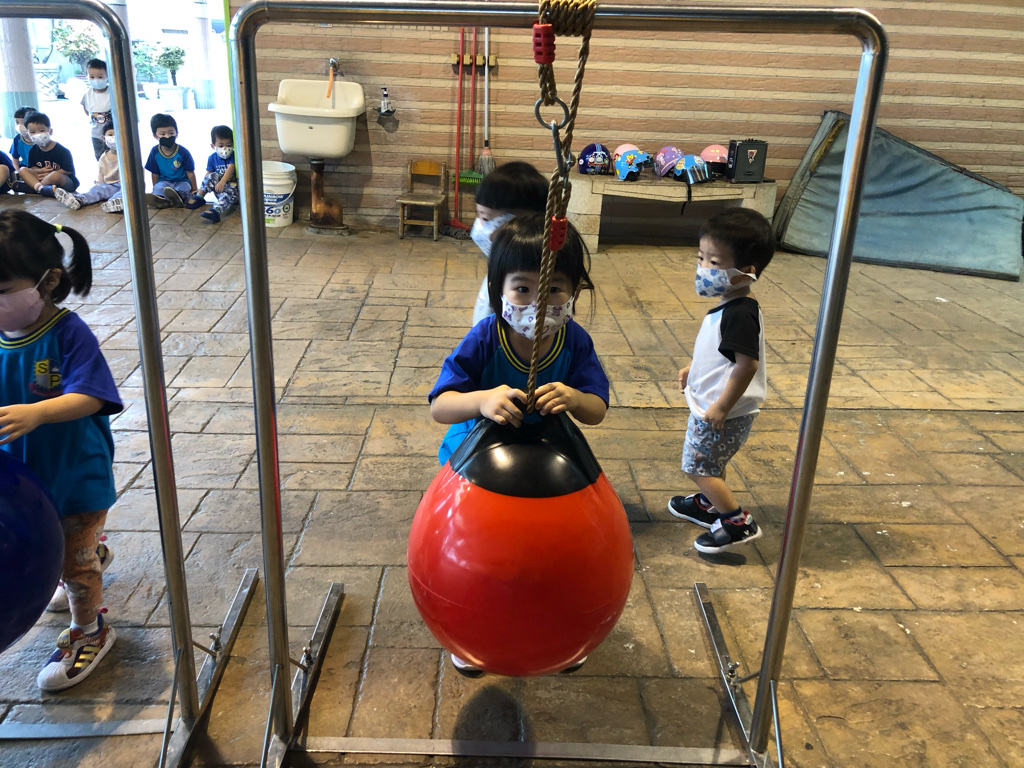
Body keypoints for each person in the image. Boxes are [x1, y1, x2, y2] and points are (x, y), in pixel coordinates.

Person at [428, 212, 609, 677]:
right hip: (475, 462)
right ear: (499, 290)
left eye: (554, 289)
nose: (538, 303)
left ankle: (567, 628)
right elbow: (440, 406)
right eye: (523, 288)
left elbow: (597, 410)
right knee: (477, 552)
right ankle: (467, 627)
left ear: (574, 290)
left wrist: (574, 398)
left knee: (555, 555)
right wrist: (481, 400)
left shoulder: (575, 341)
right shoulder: (485, 337)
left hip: (550, 463)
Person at [0, 210, 122, 691]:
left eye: (2, 290)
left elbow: (93, 395)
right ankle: (87, 552)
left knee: (75, 566)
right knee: (62, 545)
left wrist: (38, 413)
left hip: (75, 474)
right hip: (26, 479)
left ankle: (90, 630)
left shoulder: (68, 333)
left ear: (47, 281)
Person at [667, 208, 775, 554]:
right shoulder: (731, 304)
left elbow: (746, 365)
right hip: (718, 407)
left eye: (714, 262)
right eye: (701, 258)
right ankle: (709, 504)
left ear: (745, 272)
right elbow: (722, 352)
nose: (703, 268)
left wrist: (722, 406)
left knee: (698, 467)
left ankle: (736, 522)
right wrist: (693, 367)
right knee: (710, 463)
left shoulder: (740, 314)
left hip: (722, 412)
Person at [469, 161, 548, 326]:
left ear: (518, 226)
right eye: (479, 216)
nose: (479, 226)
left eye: (485, 218)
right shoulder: (503, 263)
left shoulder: (524, 281)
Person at [54, 121, 123, 213]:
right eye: (110, 135)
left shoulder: (126, 155)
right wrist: (99, 184)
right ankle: (78, 200)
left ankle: (114, 203)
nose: (113, 138)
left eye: (117, 135)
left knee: (124, 193)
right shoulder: (103, 157)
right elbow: (101, 173)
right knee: (95, 190)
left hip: (124, 186)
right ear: (103, 138)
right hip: (109, 186)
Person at [144, 113, 202, 209]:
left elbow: (190, 172)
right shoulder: (155, 152)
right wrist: (155, 186)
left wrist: (194, 189)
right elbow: (154, 172)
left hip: (182, 181)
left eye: (171, 133)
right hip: (164, 181)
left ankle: (178, 198)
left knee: (184, 188)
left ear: (177, 133)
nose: (167, 136)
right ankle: (161, 200)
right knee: (159, 188)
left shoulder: (183, 152)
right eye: (162, 134)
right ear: (155, 135)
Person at [15, 111, 78, 198]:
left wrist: (49, 174)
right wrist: (41, 171)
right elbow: (32, 167)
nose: (37, 135)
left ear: (50, 131)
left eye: (42, 131)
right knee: (22, 170)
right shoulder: (33, 150)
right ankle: (41, 188)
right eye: (33, 132)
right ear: (28, 134)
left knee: (54, 175)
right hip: (42, 177)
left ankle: (34, 188)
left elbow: (68, 170)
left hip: (63, 182)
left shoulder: (62, 151)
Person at [197, 125, 238, 223]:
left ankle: (216, 211)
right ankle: (199, 197)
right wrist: (201, 188)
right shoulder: (212, 158)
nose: (225, 148)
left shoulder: (234, 156)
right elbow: (208, 173)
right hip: (218, 188)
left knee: (229, 192)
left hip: (231, 188)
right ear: (213, 146)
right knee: (211, 176)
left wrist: (223, 181)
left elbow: (231, 167)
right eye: (221, 146)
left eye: (229, 145)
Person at [80, 59, 112, 161]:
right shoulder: (88, 94)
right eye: (92, 77)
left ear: (107, 76)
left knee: (113, 157)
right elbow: (85, 109)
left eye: (100, 77)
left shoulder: (112, 92)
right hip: (96, 134)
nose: (96, 80)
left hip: (112, 134)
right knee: (100, 158)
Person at [10, 106, 35, 172]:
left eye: (23, 123)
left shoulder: (40, 140)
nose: (20, 126)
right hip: (25, 168)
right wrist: (17, 170)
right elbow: (15, 158)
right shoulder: (17, 139)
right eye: (17, 122)